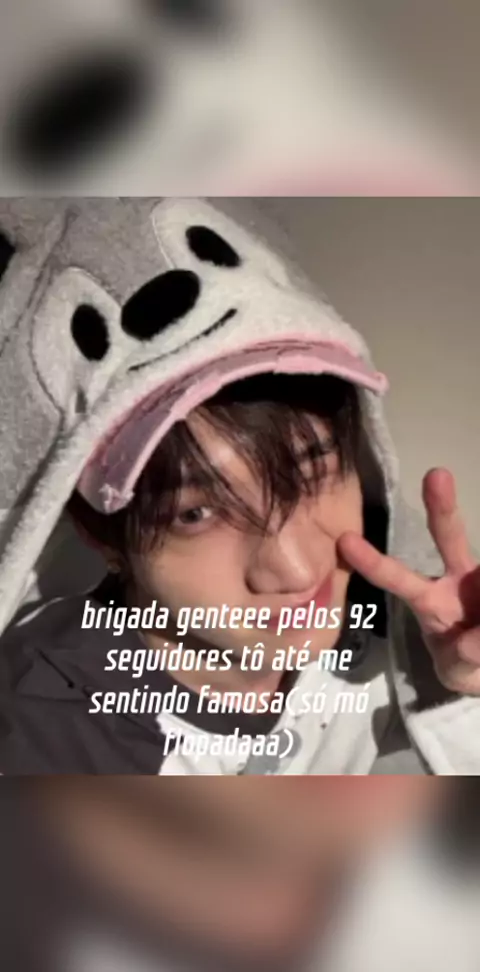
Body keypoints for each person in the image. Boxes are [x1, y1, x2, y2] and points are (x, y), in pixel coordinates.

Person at [0, 196, 479, 774]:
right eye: (196, 513)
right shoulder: (57, 731)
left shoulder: (411, 617)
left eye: (313, 469)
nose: (297, 572)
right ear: (102, 537)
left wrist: (458, 693)